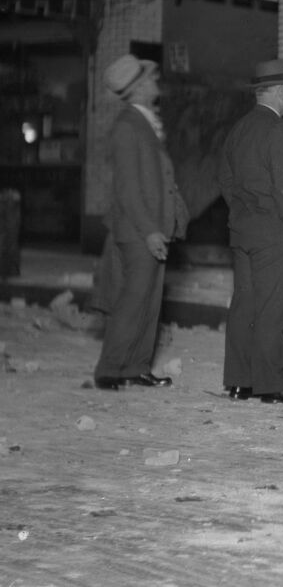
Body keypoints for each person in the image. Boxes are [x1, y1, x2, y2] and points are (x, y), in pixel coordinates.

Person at [218, 58, 283, 405]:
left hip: (244, 232)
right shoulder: (279, 130)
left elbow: (226, 180)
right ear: (277, 93)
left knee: (245, 307)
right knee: (274, 311)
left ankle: (240, 381)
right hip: (277, 234)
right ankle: (274, 385)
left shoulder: (240, 129)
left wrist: (243, 212)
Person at [93, 55, 189, 390]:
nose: (155, 83)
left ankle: (134, 367)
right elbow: (128, 190)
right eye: (150, 79)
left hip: (151, 228)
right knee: (132, 301)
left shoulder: (143, 122)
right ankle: (109, 369)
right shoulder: (127, 126)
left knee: (149, 301)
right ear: (137, 89)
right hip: (139, 231)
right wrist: (149, 231)